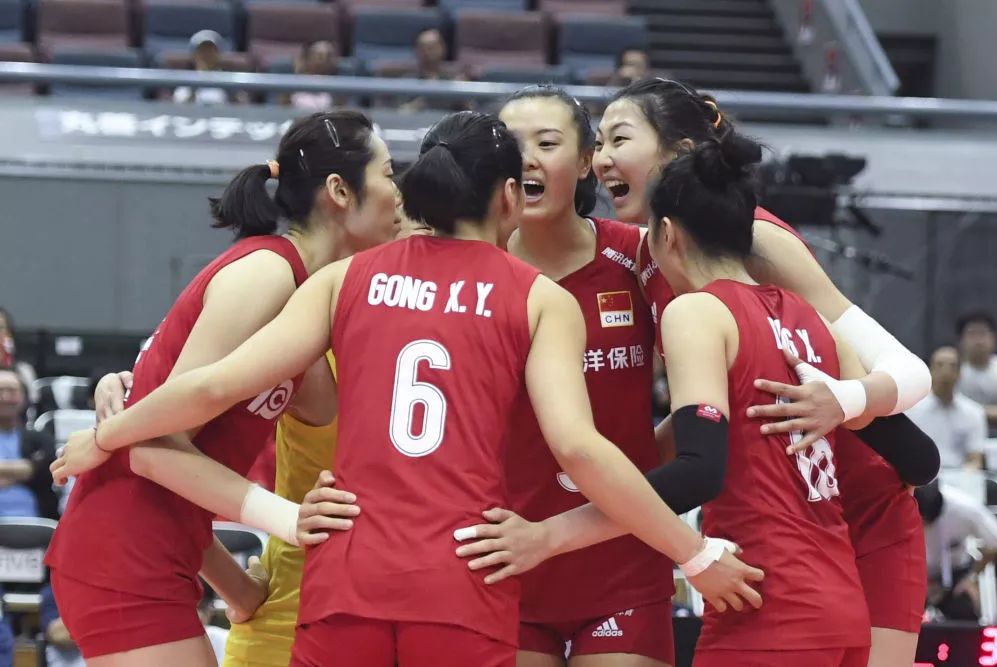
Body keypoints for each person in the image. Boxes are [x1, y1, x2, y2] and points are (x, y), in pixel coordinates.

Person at [55, 111, 764, 667]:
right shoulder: (537, 297)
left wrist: (108, 430)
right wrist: (693, 552)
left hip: (347, 574)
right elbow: (579, 449)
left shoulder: (343, 279)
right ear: (509, 197)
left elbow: (210, 385)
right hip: (459, 576)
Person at [463, 129, 914, 667]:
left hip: (765, 601)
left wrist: (552, 534)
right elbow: (918, 457)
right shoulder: (811, 319)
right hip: (840, 601)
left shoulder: (695, 311)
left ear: (666, 234)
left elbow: (698, 471)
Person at [590, 77, 933, 667]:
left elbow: (904, 369)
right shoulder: (645, 253)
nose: (600, 159)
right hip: (786, 523)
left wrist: (845, 400)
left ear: (681, 151)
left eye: (618, 139)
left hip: (858, 503)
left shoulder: (758, 239)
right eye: (596, 143)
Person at [45, 110, 397, 666]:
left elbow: (177, 456)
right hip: (120, 554)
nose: (400, 195)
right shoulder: (267, 272)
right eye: (390, 175)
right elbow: (154, 450)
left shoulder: (303, 302)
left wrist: (238, 588)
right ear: (339, 191)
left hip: (157, 555)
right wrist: (289, 519)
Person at [498, 85, 675, 666]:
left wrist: (643, 465)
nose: (527, 159)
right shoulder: (475, 269)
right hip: (506, 554)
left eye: (546, 144)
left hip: (623, 562)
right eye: (512, 145)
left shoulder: (641, 255)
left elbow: (707, 395)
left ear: (584, 163)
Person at [916, 481, 997, 621]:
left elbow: (995, 543)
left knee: (965, 608)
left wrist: (971, 578)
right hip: (913, 573)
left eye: (924, 521)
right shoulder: (897, 507)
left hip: (955, 572)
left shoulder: (964, 508)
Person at [908, 345, 987, 469]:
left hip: (960, 475)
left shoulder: (974, 412)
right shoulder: (911, 410)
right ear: (930, 371)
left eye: (952, 366)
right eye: (940, 365)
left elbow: (975, 459)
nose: (946, 372)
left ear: (960, 373)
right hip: (922, 474)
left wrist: (967, 474)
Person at [0, 369, 57, 519]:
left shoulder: (40, 438)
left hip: (35, 521)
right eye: (0, 391)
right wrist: (22, 470)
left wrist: (30, 470)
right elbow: (30, 469)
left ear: (24, 397)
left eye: (12, 391)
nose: (5, 397)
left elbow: (44, 471)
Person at [956, 311, 997, 432]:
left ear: (994, 338)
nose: (978, 341)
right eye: (972, 334)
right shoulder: (953, 370)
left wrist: (974, 413)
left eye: (983, 334)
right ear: (961, 339)